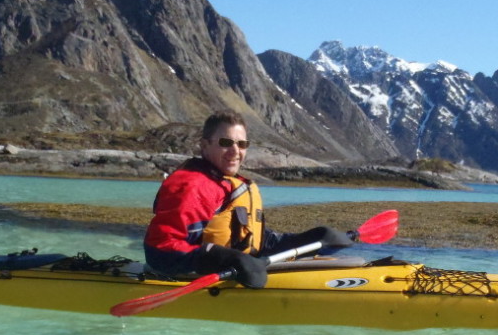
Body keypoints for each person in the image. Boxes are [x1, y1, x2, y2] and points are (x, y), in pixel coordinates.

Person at [144, 111, 351, 287]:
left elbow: (247, 239)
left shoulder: (226, 183)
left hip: (237, 269)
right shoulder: (194, 186)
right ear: (205, 145)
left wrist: (308, 239)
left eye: (242, 144)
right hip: (201, 280)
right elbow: (161, 250)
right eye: (226, 143)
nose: (235, 151)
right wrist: (222, 259)